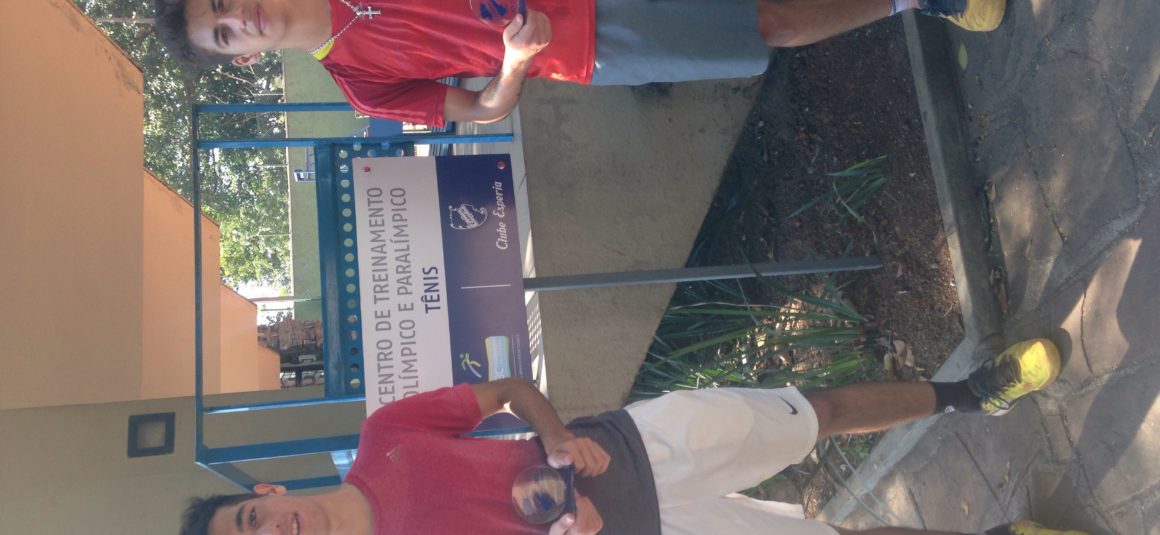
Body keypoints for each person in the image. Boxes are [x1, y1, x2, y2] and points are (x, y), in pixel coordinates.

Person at [178, 338, 1089, 535]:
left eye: (250, 523)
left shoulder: (385, 434)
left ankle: (975, 391)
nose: (275, 534)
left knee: (814, 411)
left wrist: (555, 439)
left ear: (265, 494)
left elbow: (508, 391)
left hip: (640, 446)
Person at [154, 0, 1007, 128]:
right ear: (244, 56)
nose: (238, 16)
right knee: (766, 24)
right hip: (590, 44)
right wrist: (514, 63)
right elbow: (483, 110)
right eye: (223, 33)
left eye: (223, 1)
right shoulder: (361, 86)